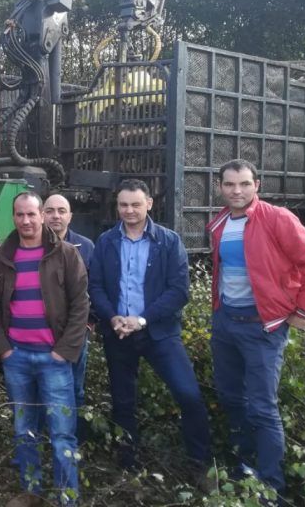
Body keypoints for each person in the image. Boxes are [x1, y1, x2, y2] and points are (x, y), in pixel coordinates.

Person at [208, 159, 305, 498]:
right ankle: (244, 465)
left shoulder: (278, 219)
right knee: (232, 398)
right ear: (220, 187)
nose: (237, 191)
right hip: (226, 324)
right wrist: (218, 312)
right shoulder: (219, 222)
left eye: (244, 184)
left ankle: (270, 487)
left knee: (262, 408)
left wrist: (304, 311)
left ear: (257, 185)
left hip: (264, 327)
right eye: (230, 184)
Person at [88, 179, 211, 474]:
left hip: (159, 334)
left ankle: (200, 462)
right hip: (118, 333)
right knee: (123, 401)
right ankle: (127, 463)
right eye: (123, 205)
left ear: (149, 204)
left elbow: (179, 291)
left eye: (135, 204)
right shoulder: (106, 242)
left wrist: (142, 319)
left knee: (188, 394)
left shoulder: (168, 242)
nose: (129, 211)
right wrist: (112, 317)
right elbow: (96, 286)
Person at [0, 192, 89, 504]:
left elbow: (80, 306)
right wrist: (2, 348)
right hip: (17, 358)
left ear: (43, 216)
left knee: (62, 434)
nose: (26, 221)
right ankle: (32, 491)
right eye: (20, 215)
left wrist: (63, 351)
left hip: (54, 359)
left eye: (32, 214)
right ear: (13, 217)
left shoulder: (66, 254)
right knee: (24, 430)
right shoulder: (1, 257)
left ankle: (67, 497)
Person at [42, 194, 95, 438]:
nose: (56, 216)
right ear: (42, 214)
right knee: (42, 388)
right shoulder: (32, 246)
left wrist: (90, 321)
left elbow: (95, 287)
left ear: (70, 216)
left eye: (61, 211)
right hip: (41, 332)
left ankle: (75, 440)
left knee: (74, 387)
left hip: (75, 331)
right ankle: (45, 436)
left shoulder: (86, 247)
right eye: (50, 210)